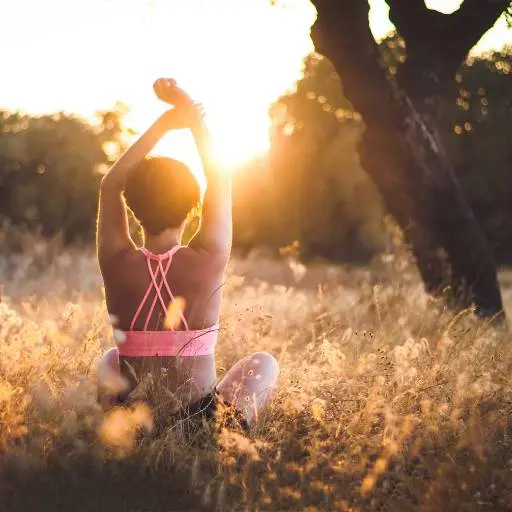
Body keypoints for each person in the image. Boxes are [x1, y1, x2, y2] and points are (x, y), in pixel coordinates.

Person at [96, 79, 278, 430]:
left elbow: (110, 184)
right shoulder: (208, 257)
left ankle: (123, 430)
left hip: (137, 419)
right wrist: (194, 119)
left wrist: (166, 123)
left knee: (110, 359)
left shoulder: (116, 262)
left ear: (131, 208)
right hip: (198, 421)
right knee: (264, 363)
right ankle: (226, 434)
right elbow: (219, 176)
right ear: (193, 208)